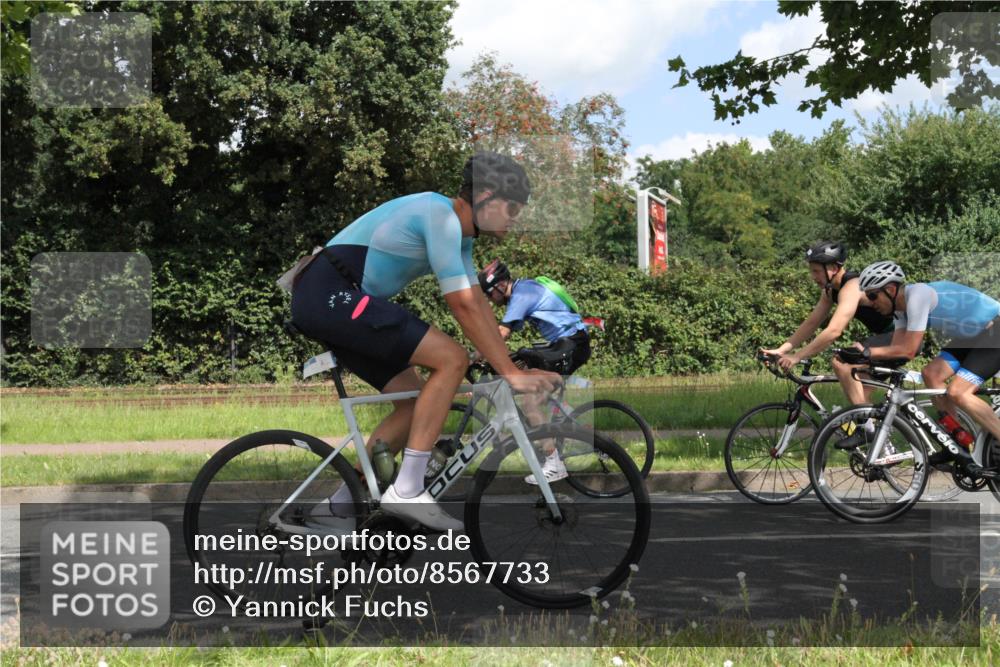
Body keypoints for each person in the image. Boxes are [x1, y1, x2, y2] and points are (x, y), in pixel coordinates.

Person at [290, 151, 560, 531]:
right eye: (512, 207)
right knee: (451, 359)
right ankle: (408, 489)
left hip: (333, 299)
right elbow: (461, 305)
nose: (516, 217)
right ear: (485, 197)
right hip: (330, 294)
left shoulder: (459, 237)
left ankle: (337, 509)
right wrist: (510, 373)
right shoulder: (440, 216)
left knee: (414, 403)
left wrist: (506, 365)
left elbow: (478, 304)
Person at [846, 260, 1000, 476]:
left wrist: (866, 352)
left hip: (995, 329)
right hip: (973, 335)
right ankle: (956, 444)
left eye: (873, 296)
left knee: (959, 392)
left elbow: (908, 350)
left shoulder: (917, 296)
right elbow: (897, 350)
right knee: (931, 374)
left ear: (890, 290)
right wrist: (863, 360)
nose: (871, 303)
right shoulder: (900, 311)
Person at [761, 241, 895, 445]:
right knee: (860, 396)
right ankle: (882, 449)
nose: (813, 276)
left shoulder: (852, 286)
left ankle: (867, 431)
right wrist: (783, 349)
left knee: (841, 362)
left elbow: (833, 331)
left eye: (816, 271)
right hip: (884, 337)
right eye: (812, 271)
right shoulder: (830, 290)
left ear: (832, 268)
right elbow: (812, 322)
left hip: (899, 337)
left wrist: (797, 356)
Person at [477, 260, 592, 484]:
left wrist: (474, 355)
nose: (490, 299)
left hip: (571, 345)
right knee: (522, 360)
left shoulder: (523, 294)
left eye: (489, 293)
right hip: (566, 344)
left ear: (500, 285)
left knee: (530, 402)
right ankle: (557, 424)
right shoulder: (524, 289)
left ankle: (553, 463)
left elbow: (502, 333)